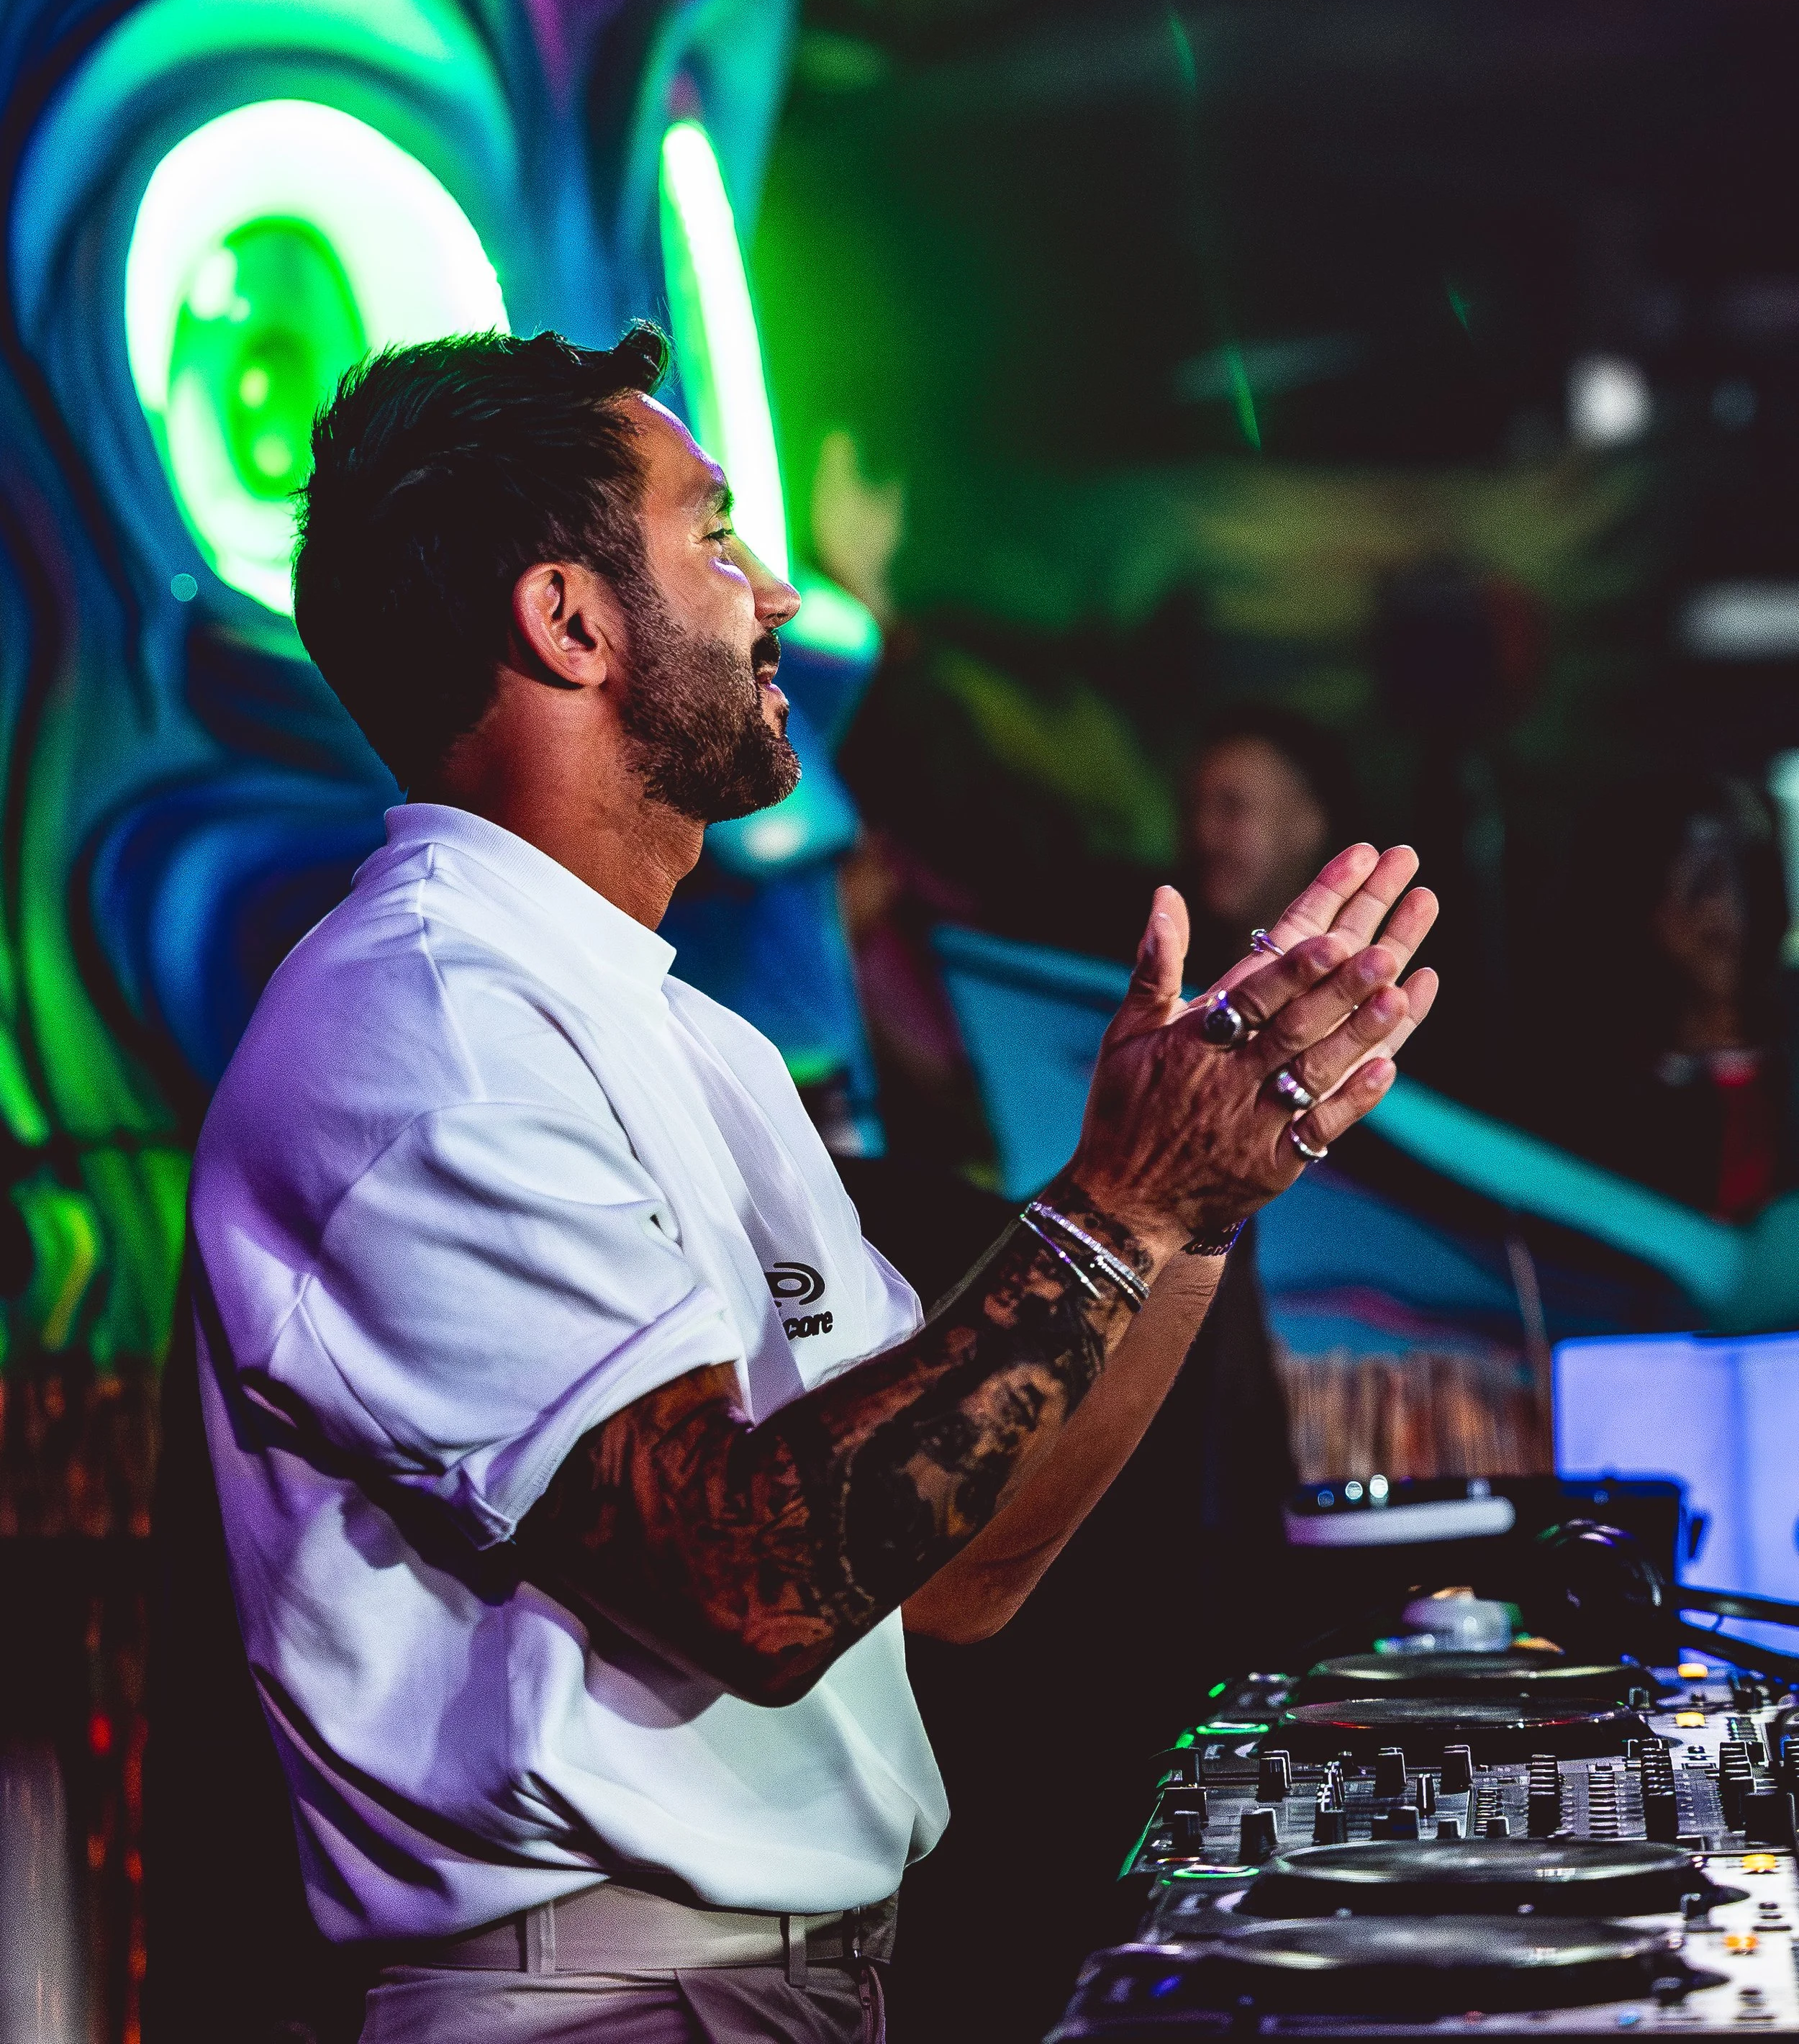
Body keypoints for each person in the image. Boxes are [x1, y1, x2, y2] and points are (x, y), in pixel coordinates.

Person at [182, 325, 1438, 2044]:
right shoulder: (424, 1034)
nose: (772, 595)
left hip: (801, 1981)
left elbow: (961, 1561)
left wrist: (1201, 1207)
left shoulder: (693, 1043)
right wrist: (1120, 1207)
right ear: (568, 617)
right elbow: (755, 1577)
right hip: (598, 2005)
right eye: (712, 536)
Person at [1546, 771, 1794, 1221]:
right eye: (1687, 883)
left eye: (1727, 874)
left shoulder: (1786, 1068)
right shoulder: (1589, 1104)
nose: (1720, 908)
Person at [1177, 703, 1360, 992]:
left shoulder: (1359, 991)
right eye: (1193, 809)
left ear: (1306, 824)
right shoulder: (1160, 971)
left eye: (1231, 807)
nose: (1203, 833)